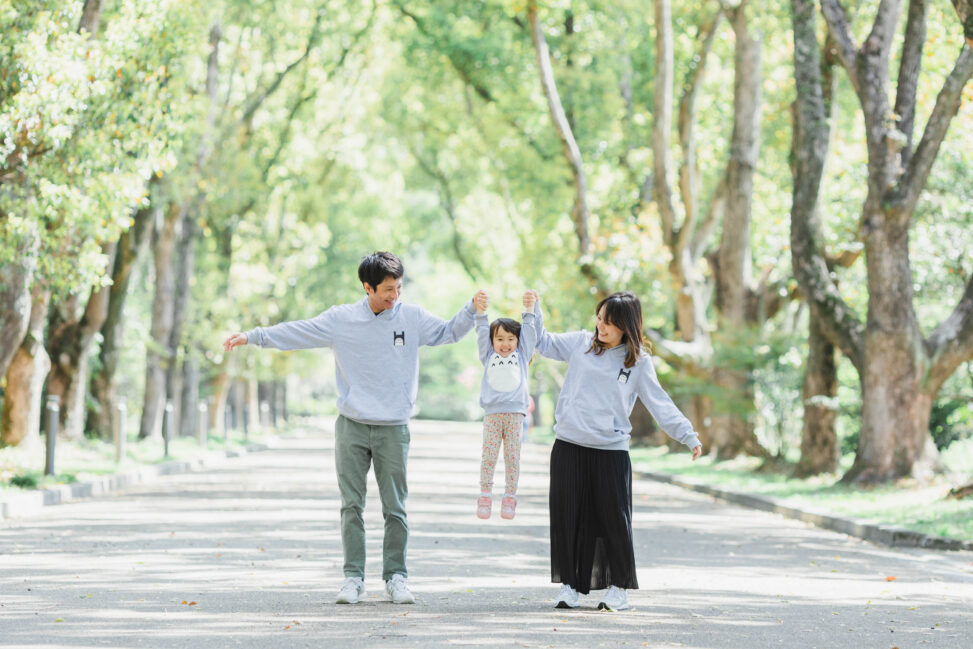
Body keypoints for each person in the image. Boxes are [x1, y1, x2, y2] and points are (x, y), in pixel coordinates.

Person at [222, 252, 484, 606]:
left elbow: (449, 332)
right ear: (367, 287)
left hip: (394, 428)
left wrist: (470, 309)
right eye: (388, 289)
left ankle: (396, 577)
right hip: (352, 426)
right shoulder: (341, 319)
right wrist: (254, 336)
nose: (395, 296)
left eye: (399, 288)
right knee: (351, 507)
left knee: (396, 508)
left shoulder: (412, 316)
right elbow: (297, 331)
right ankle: (353, 578)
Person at [531, 290, 702, 612]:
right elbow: (542, 341)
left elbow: (659, 403)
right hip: (569, 445)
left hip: (610, 451)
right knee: (570, 519)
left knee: (613, 522)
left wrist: (688, 436)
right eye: (599, 319)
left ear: (626, 326)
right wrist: (534, 309)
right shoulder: (580, 343)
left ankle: (618, 589)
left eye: (609, 322)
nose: (601, 327)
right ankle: (571, 587)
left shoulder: (636, 362)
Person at [472, 290, 539, 520]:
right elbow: (481, 332)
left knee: (512, 457)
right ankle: (485, 495)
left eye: (511, 339)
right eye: (500, 339)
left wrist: (529, 309)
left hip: (515, 415)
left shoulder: (522, 356)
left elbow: (530, 333)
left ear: (518, 341)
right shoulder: (488, 355)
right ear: (492, 342)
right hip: (493, 414)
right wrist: (481, 313)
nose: (505, 344)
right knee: (489, 455)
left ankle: (510, 497)